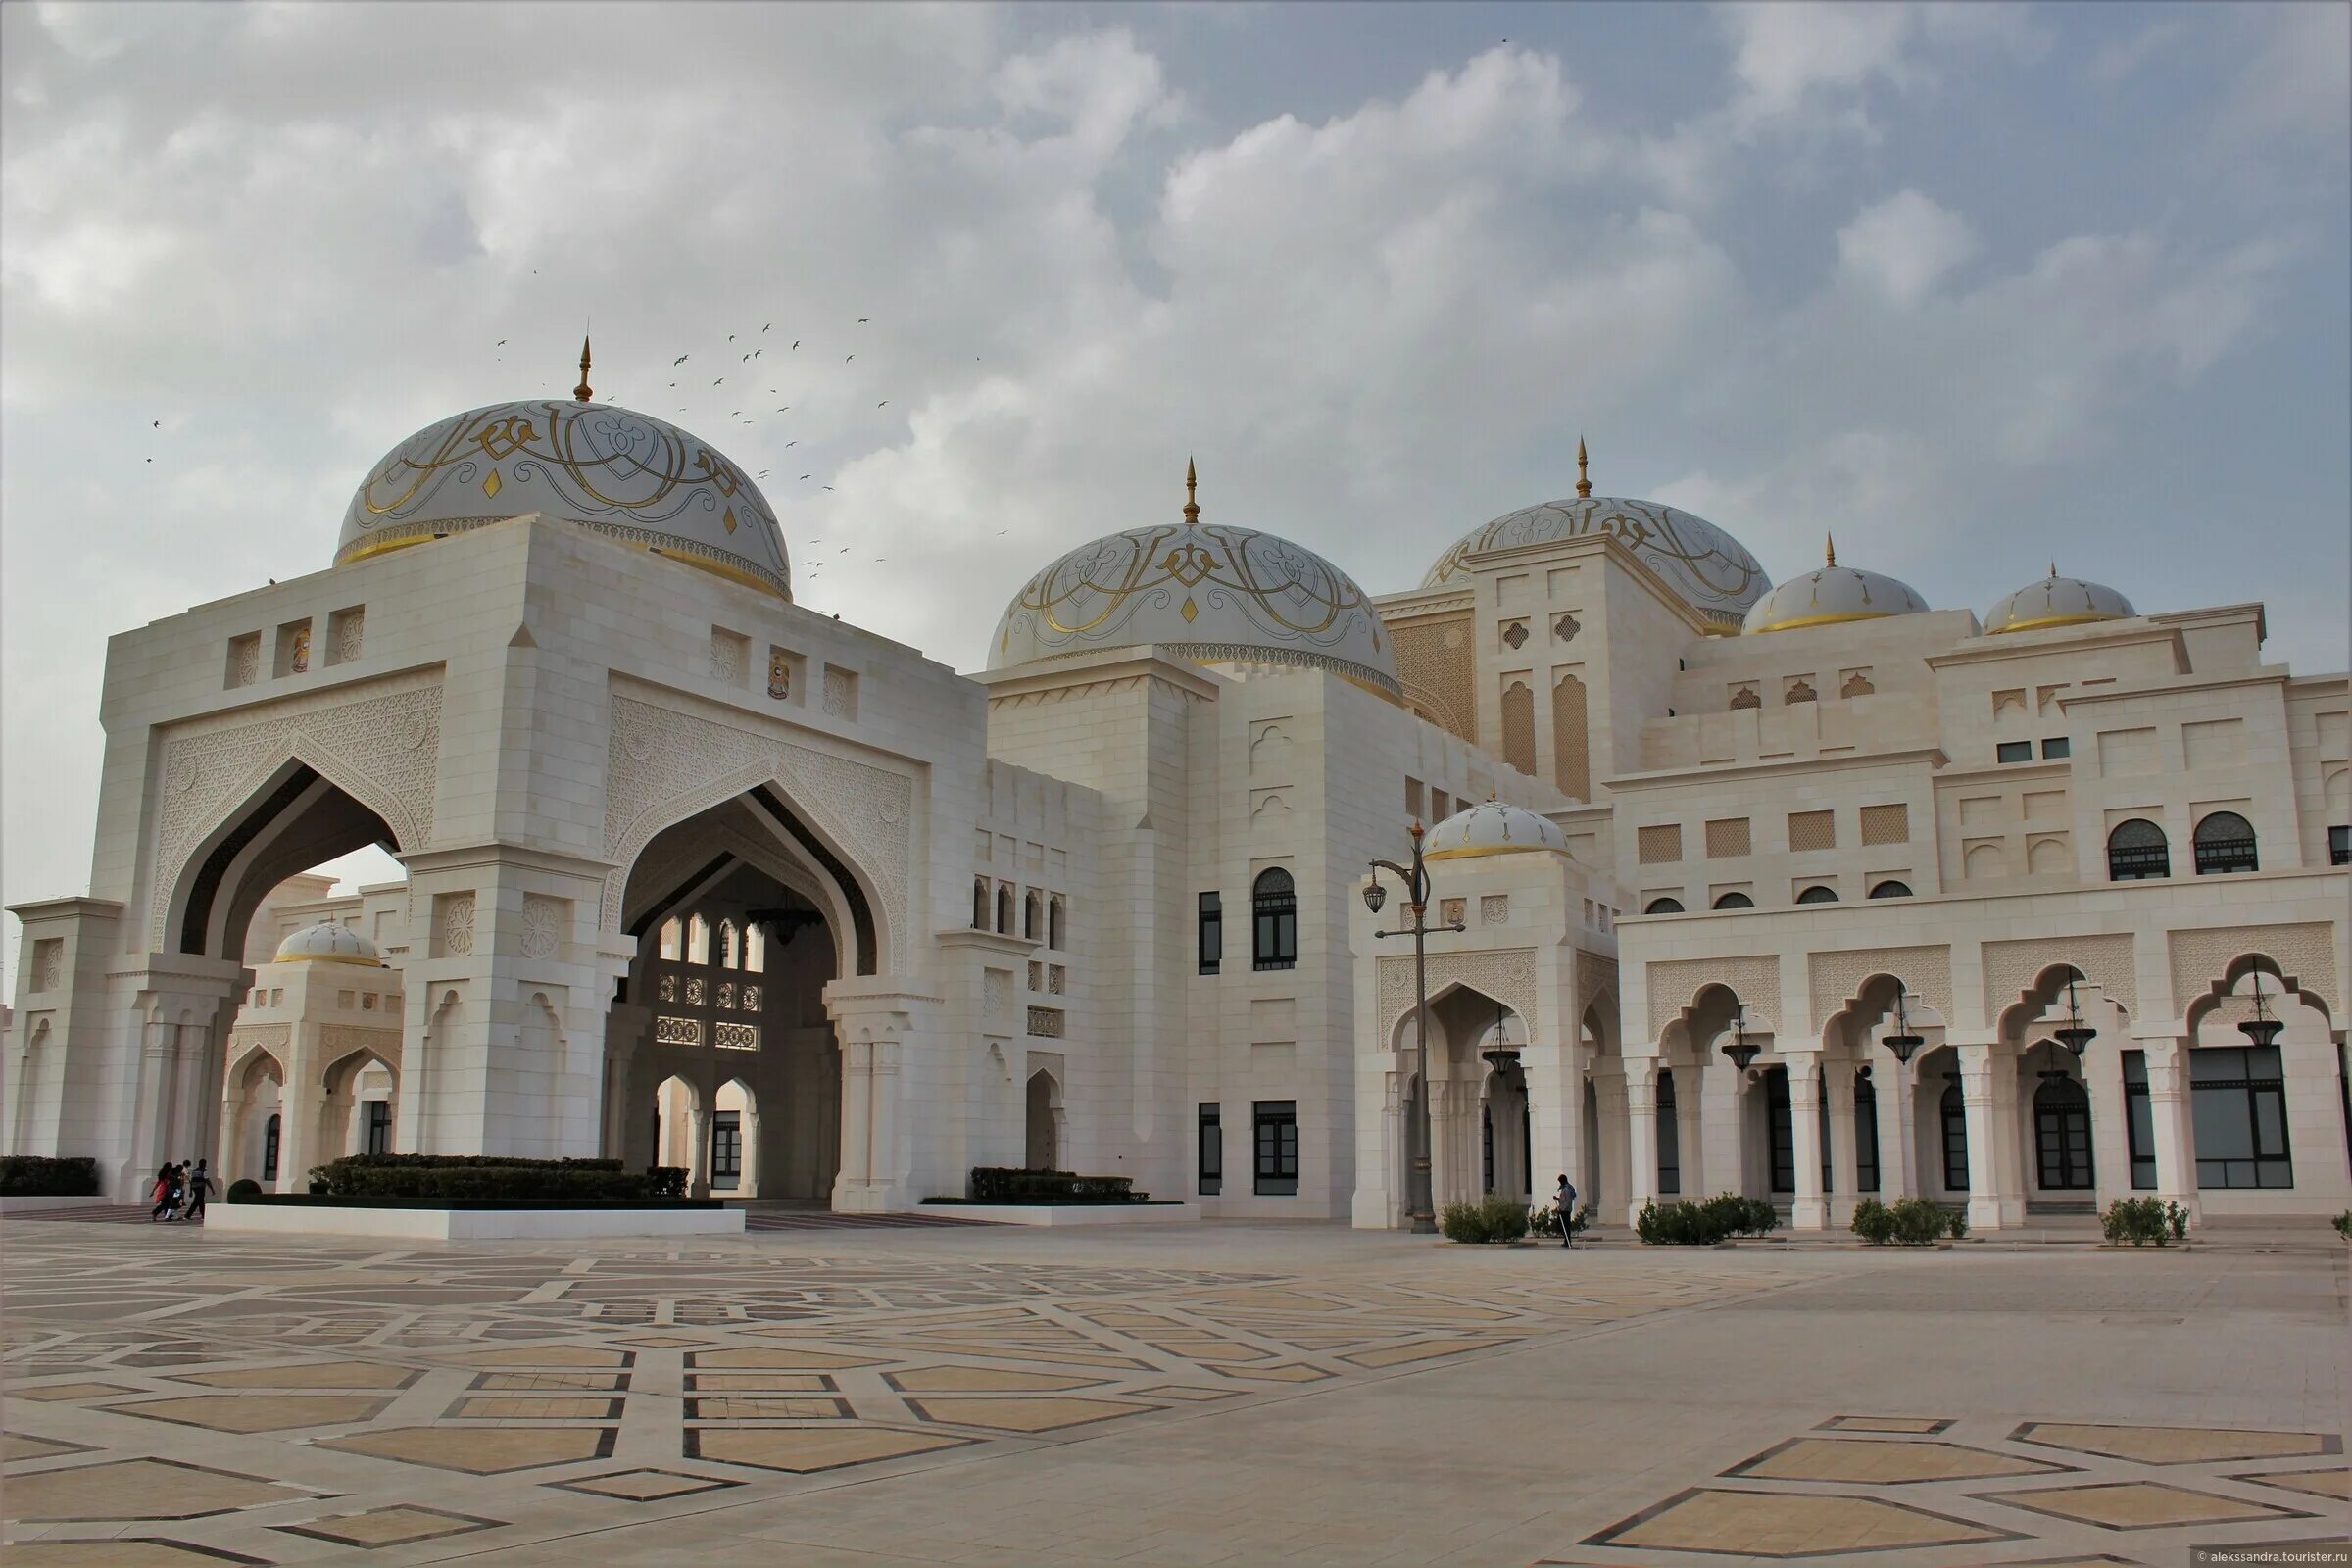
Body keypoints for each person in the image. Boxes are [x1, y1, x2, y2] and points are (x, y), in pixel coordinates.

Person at [184, 1159, 214, 1224]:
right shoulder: (204, 1171)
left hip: (195, 1188)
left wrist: (191, 1191)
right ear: (204, 1164)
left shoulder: (195, 1171)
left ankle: (203, 1216)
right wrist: (212, 1189)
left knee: (200, 1202)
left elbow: (192, 1181)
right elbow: (207, 1181)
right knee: (196, 1202)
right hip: (200, 1188)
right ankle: (187, 1216)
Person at [1553, 1173, 1578, 1249]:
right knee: (1563, 1226)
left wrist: (1563, 1209)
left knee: (1565, 1226)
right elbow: (1564, 1199)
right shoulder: (1564, 1188)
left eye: (1560, 1181)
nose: (1560, 1183)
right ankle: (1566, 1240)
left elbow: (1568, 1201)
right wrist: (1558, 1199)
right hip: (1564, 1210)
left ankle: (1567, 1241)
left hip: (1565, 1211)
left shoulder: (1566, 1189)